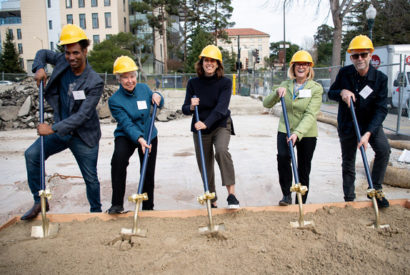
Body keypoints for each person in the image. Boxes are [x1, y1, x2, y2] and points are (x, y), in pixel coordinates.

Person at [21, 24, 104, 220]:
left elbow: (82, 115)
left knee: (91, 179)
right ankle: (39, 201)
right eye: (68, 53)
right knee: (32, 155)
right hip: (61, 131)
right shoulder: (62, 61)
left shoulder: (95, 81)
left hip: (83, 136)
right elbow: (42, 52)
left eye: (76, 52)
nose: (71, 57)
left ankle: (96, 214)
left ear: (85, 51)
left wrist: (52, 128)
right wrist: (39, 67)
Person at [328, 35, 390, 208]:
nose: (360, 59)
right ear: (351, 57)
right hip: (348, 124)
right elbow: (330, 93)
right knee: (348, 161)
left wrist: (368, 134)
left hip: (371, 125)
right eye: (355, 56)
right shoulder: (345, 73)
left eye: (363, 54)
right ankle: (349, 200)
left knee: (384, 150)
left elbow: (381, 109)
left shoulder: (380, 79)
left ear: (370, 54)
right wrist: (342, 92)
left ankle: (376, 191)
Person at [182, 45, 239, 209]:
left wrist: (206, 123)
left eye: (213, 61)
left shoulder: (225, 83)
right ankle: (212, 198)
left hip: (220, 124)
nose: (209, 63)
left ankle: (232, 195)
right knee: (204, 162)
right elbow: (185, 109)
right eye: (207, 60)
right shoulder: (193, 83)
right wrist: (192, 107)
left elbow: (221, 109)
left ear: (218, 64)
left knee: (221, 151)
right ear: (202, 63)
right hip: (200, 127)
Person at [263, 50, 322, 206]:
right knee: (282, 158)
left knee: (303, 166)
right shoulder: (285, 85)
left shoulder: (316, 88)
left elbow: (310, 114)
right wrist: (277, 93)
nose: (301, 67)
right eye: (298, 64)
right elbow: (266, 104)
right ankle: (286, 195)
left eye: (305, 64)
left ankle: (301, 201)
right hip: (285, 129)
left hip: (307, 133)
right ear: (293, 66)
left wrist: (297, 133)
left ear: (310, 67)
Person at [107, 56, 164, 213]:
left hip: (149, 134)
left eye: (132, 76)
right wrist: (139, 139)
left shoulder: (144, 89)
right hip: (127, 135)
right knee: (118, 161)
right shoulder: (115, 100)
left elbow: (158, 100)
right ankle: (117, 204)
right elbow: (126, 124)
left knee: (147, 170)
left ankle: (147, 206)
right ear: (119, 79)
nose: (130, 80)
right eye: (125, 77)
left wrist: (158, 95)